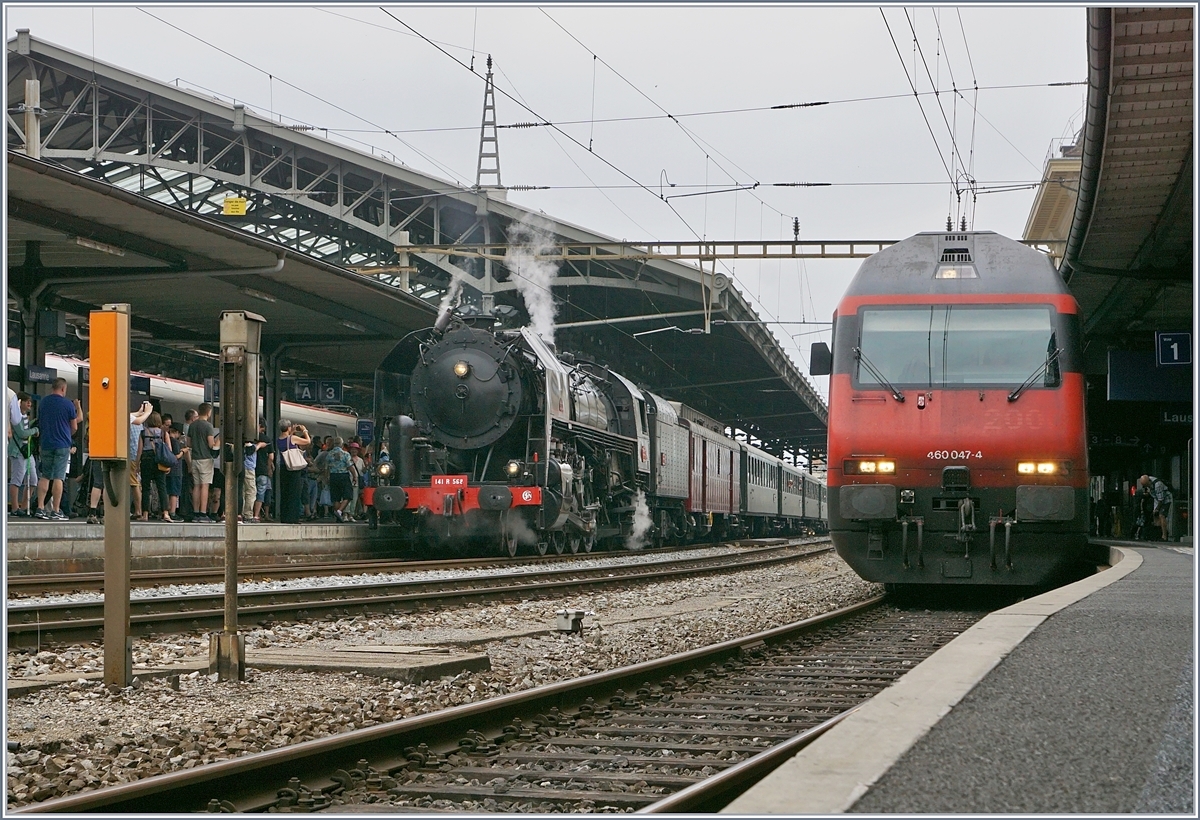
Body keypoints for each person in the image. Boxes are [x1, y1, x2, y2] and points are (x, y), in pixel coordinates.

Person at [33, 378, 79, 521]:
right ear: (63, 389)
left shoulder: (44, 403)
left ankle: (40, 508)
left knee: (45, 476)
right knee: (59, 477)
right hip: (62, 445)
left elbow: (40, 422)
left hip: (46, 444)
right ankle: (56, 510)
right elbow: (74, 427)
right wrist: (66, 435)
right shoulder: (68, 404)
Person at [137, 412, 173, 522]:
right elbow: (169, 450)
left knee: (146, 488)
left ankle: (145, 514)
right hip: (159, 461)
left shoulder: (143, 433)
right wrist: (168, 464)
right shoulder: (163, 433)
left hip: (146, 460)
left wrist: (137, 464)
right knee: (162, 487)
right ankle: (166, 513)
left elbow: (140, 450)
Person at [187, 402, 219, 523]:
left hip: (195, 458)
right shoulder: (208, 426)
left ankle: (195, 512)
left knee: (196, 486)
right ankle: (203, 513)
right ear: (208, 412)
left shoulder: (192, 426)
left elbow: (188, 443)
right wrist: (218, 441)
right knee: (205, 486)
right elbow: (211, 444)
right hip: (205, 458)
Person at [275, 419, 311, 524]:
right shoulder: (293, 438)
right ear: (289, 427)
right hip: (294, 468)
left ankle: (285, 517)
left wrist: (292, 430)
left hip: (284, 467)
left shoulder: (279, 439)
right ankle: (293, 518)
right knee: (295, 493)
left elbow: (286, 439)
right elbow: (307, 441)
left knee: (285, 493)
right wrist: (305, 431)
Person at [8, 393, 37, 517]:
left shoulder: (25, 416)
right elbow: (21, 433)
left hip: (26, 451)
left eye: (30, 401)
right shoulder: (16, 416)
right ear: (20, 402)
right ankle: (15, 508)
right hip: (18, 452)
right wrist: (35, 430)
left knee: (33, 480)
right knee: (17, 480)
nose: (29, 404)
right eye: (27, 401)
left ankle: (24, 507)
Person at [323, 437, 354, 522]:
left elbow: (326, 468)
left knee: (336, 497)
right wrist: (354, 476)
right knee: (348, 495)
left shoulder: (329, 454)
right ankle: (339, 511)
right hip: (343, 476)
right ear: (341, 444)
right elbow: (349, 466)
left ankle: (338, 515)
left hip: (333, 476)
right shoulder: (345, 454)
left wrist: (326, 477)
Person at [1138, 475, 1174, 541]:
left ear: (1148, 481)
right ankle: (1157, 534)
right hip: (1156, 499)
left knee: (1161, 515)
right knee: (1155, 516)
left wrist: (1157, 509)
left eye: (1146, 485)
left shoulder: (1158, 484)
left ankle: (1164, 536)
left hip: (1166, 500)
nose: (1146, 487)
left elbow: (1161, 499)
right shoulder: (1148, 483)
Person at [252, 419, 273, 523]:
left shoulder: (250, 438)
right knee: (260, 493)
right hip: (263, 470)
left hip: (251, 469)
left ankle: (247, 513)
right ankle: (256, 515)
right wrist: (269, 467)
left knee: (249, 492)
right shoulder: (267, 439)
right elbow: (271, 457)